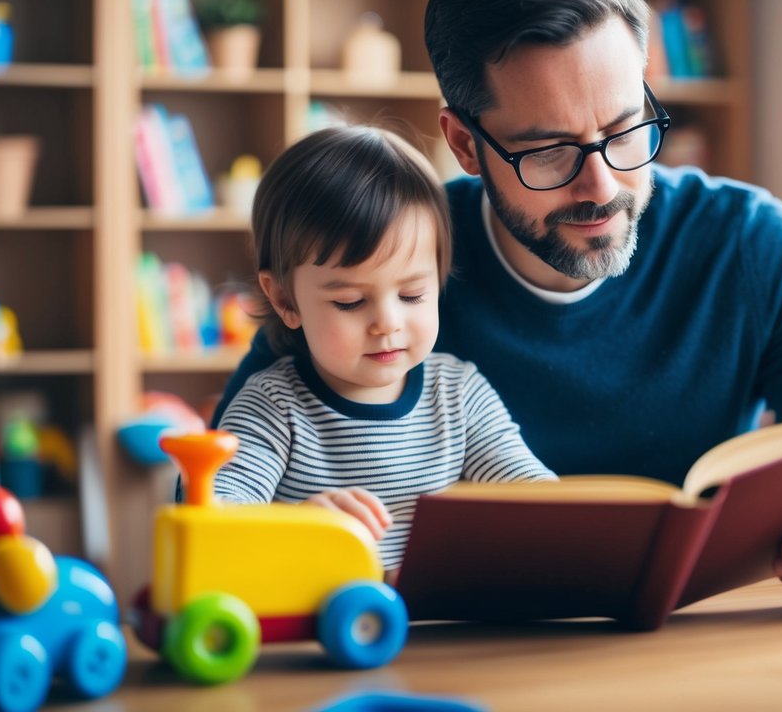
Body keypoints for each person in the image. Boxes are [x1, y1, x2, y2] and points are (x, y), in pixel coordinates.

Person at [217, 0, 782, 606]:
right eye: (549, 151)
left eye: (625, 130)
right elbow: (218, 490)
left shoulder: (746, 245)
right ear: (463, 145)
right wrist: (289, 535)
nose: (603, 186)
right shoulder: (388, 261)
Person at [213, 124, 556, 570]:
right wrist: (293, 526)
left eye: (412, 295)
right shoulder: (273, 408)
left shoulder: (458, 394)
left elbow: (535, 495)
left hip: (441, 630)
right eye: (350, 302)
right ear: (284, 299)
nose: (387, 323)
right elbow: (216, 516)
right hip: (326, 629)